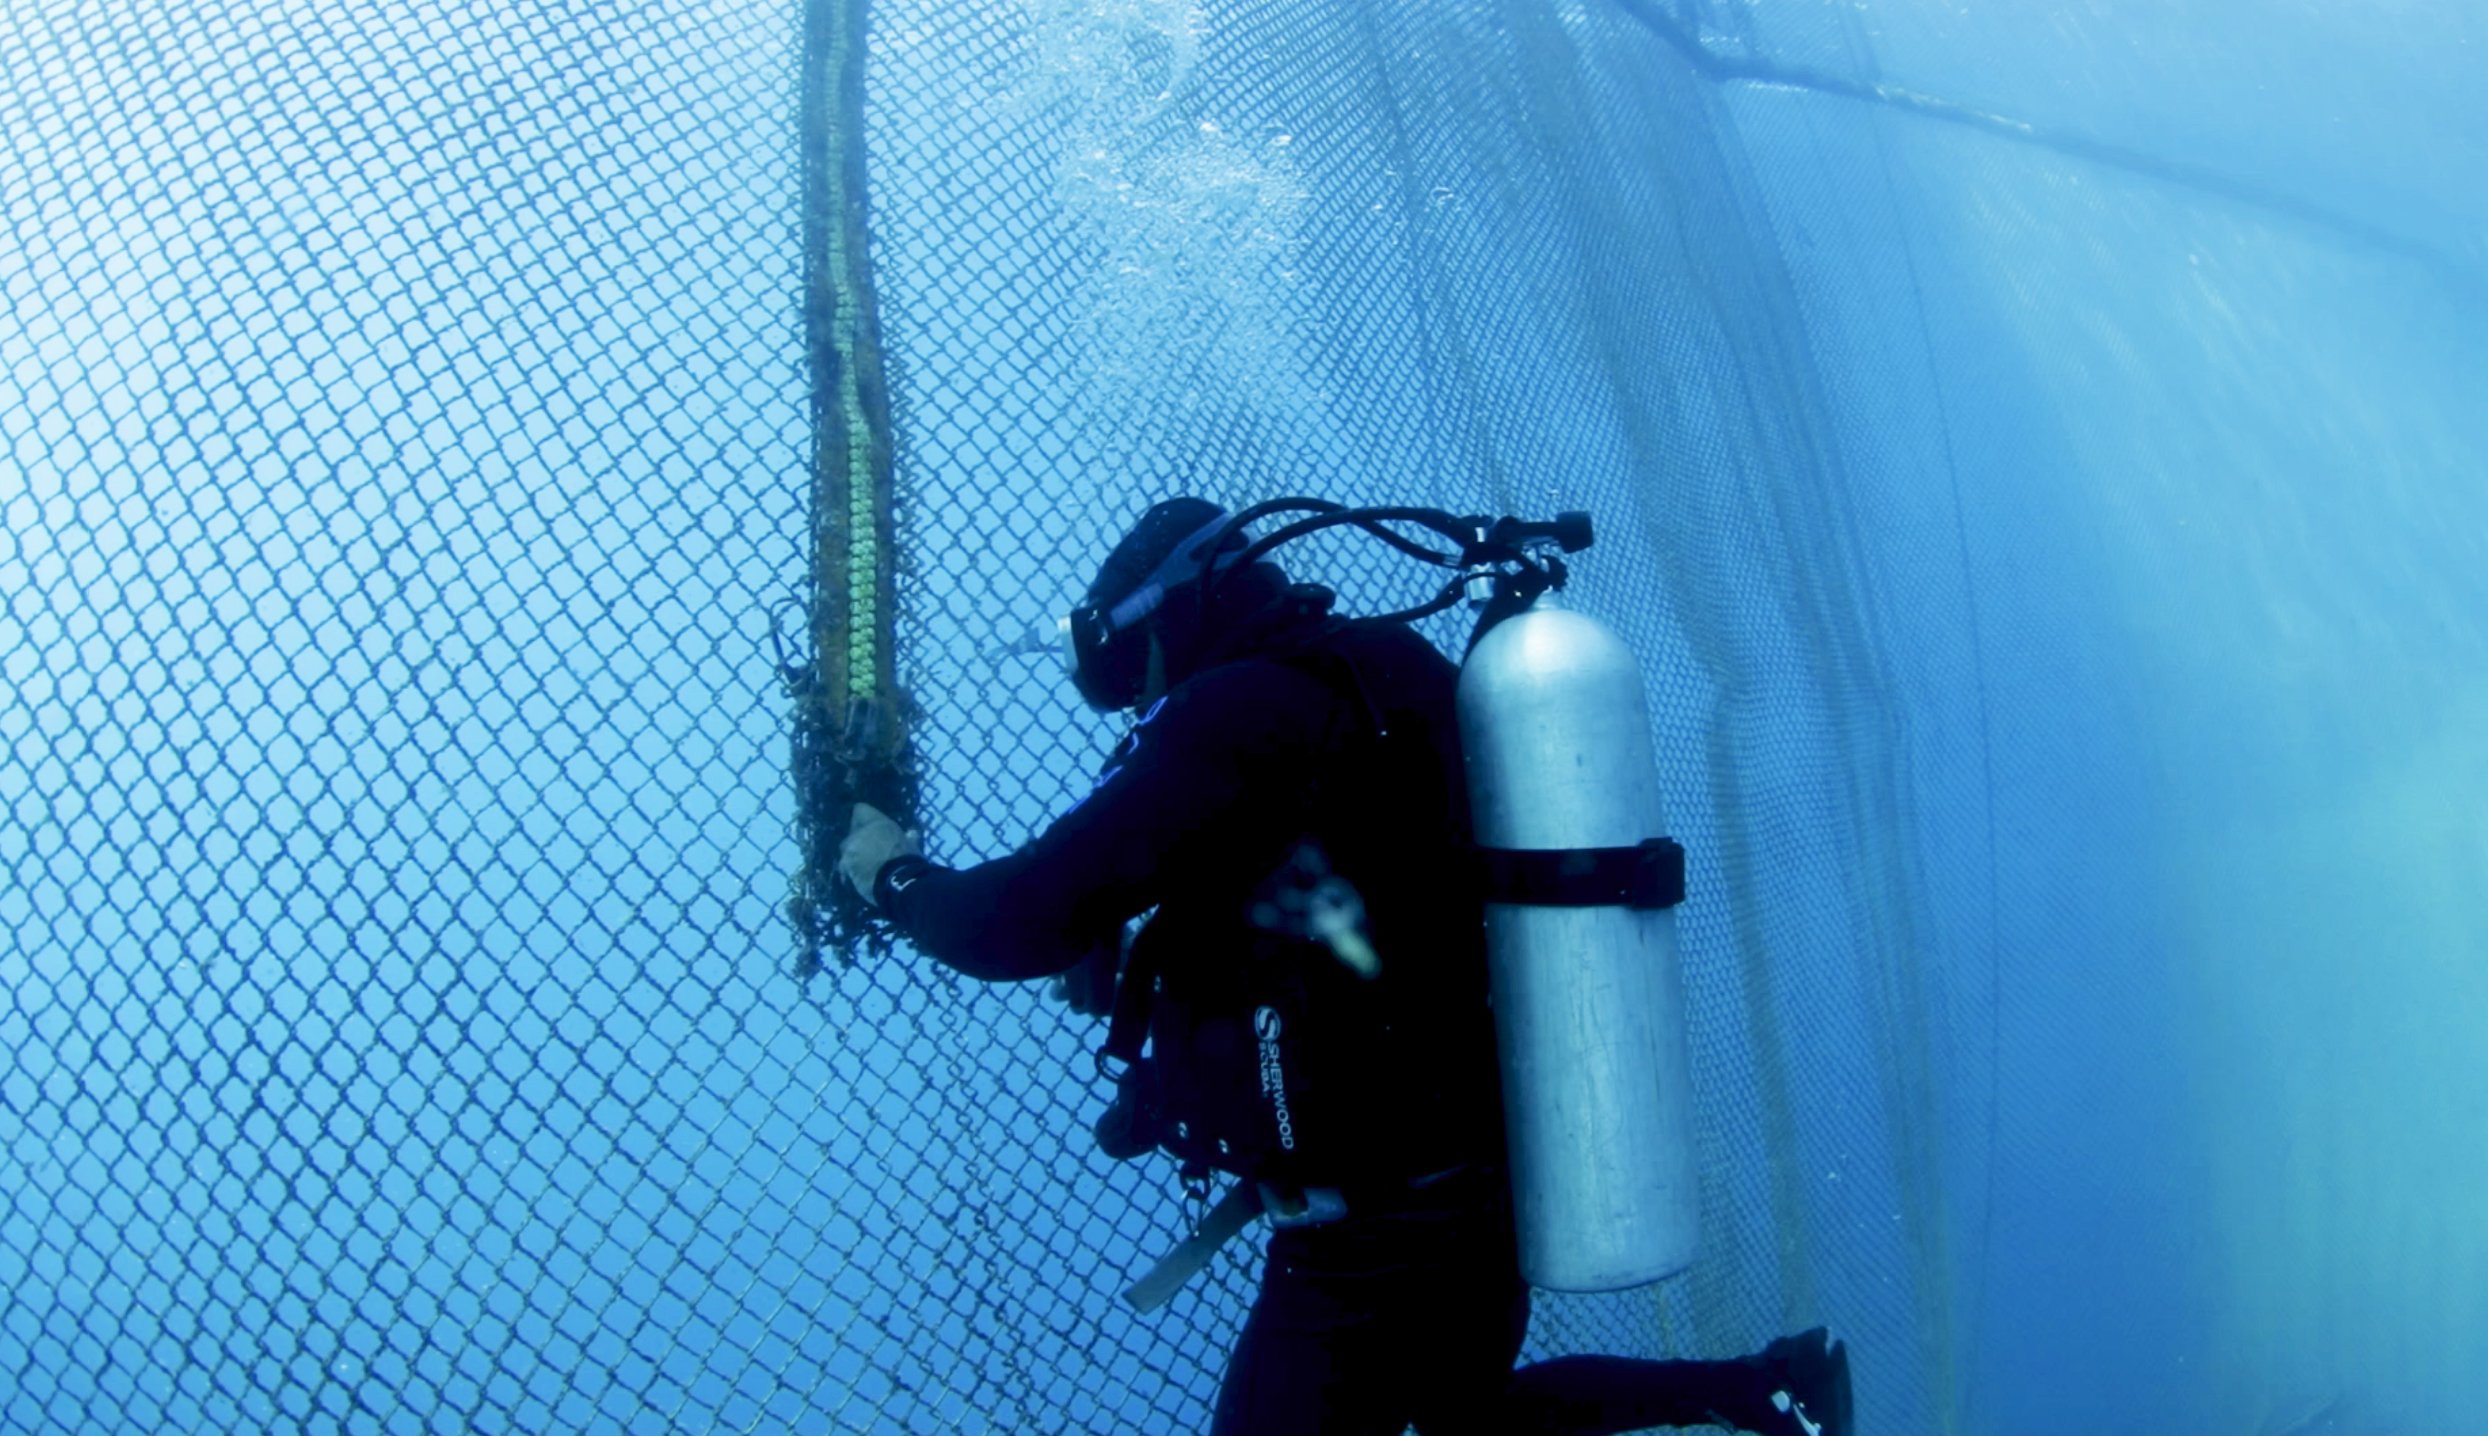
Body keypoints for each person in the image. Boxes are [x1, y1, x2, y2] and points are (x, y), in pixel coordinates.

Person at [839, 498, 1854, 1436]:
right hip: (1480, 1183)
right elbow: (1341, 921)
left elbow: (1017, 921)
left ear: (1169, 616)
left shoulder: (1231, 716)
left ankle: (1759, 1392)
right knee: (1466, 1415)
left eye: (1139, 677)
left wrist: (893, 876)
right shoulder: (1379, 673)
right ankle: (1761, 1389)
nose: (1142, 710)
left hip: (1374, 1230)